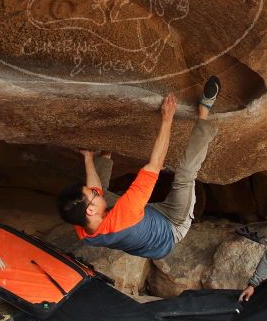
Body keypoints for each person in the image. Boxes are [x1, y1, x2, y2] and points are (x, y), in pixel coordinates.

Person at [55, 76, 221, 259]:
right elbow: (155, 164)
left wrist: (87, 158)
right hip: (172, 225)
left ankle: (106, 153)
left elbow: (96, 190)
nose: (95, 191)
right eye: (92, 195)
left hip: (142, 223)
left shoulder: (82, 226)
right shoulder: (124, 213)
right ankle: (204, 112)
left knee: (104, 193)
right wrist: (167, 119)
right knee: (185, 174)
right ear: (90, 211)